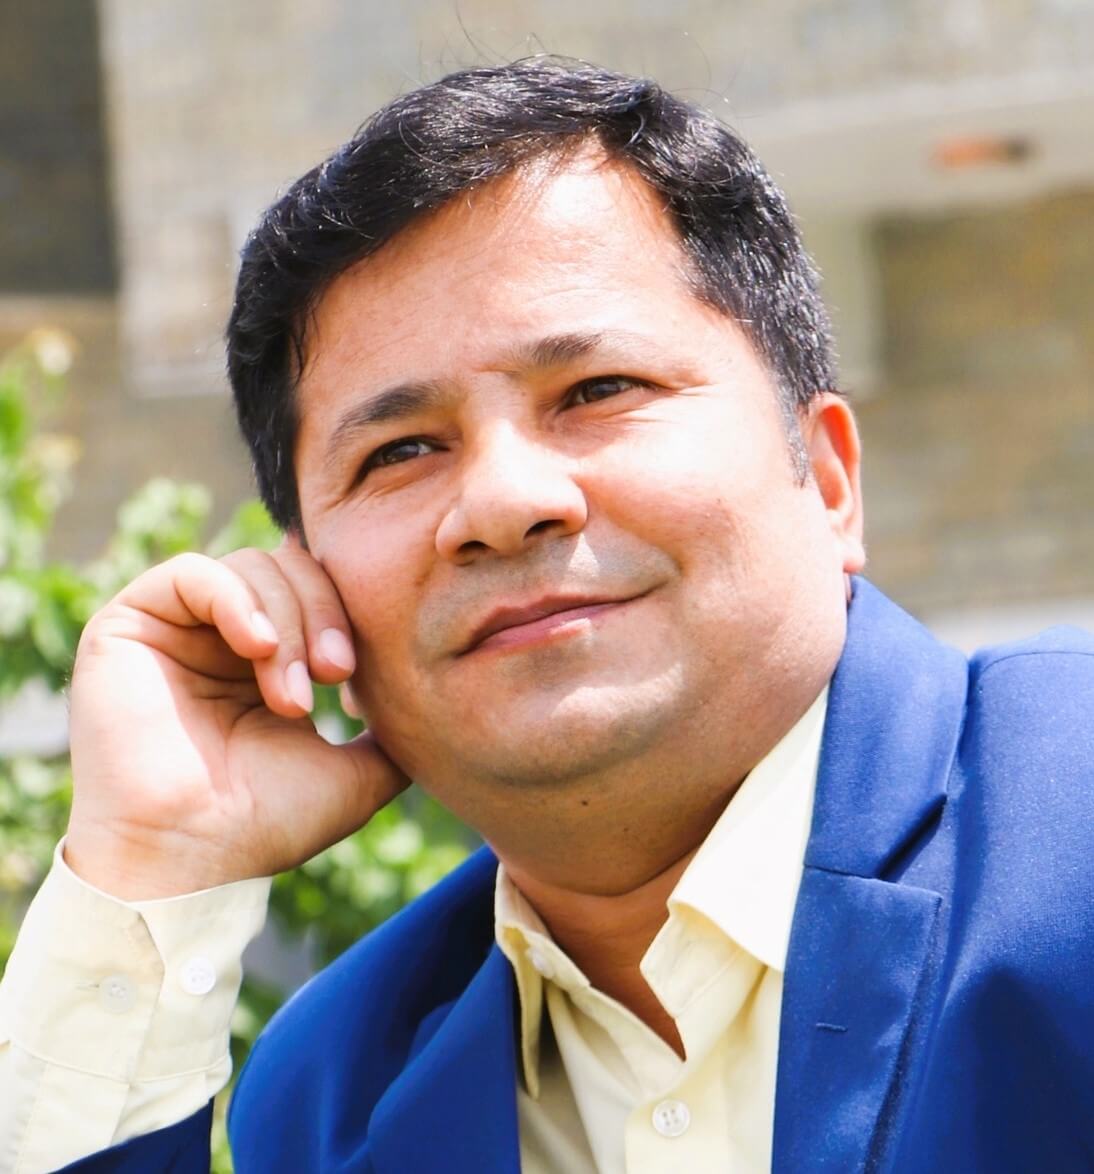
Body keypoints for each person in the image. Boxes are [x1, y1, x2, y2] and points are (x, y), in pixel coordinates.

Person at [2, 58, 1092, 1174]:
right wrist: (155, 861)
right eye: (400, 451)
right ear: (314, 585)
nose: (502, 502)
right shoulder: (336, 1095)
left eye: (597, 391)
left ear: (825, 478)